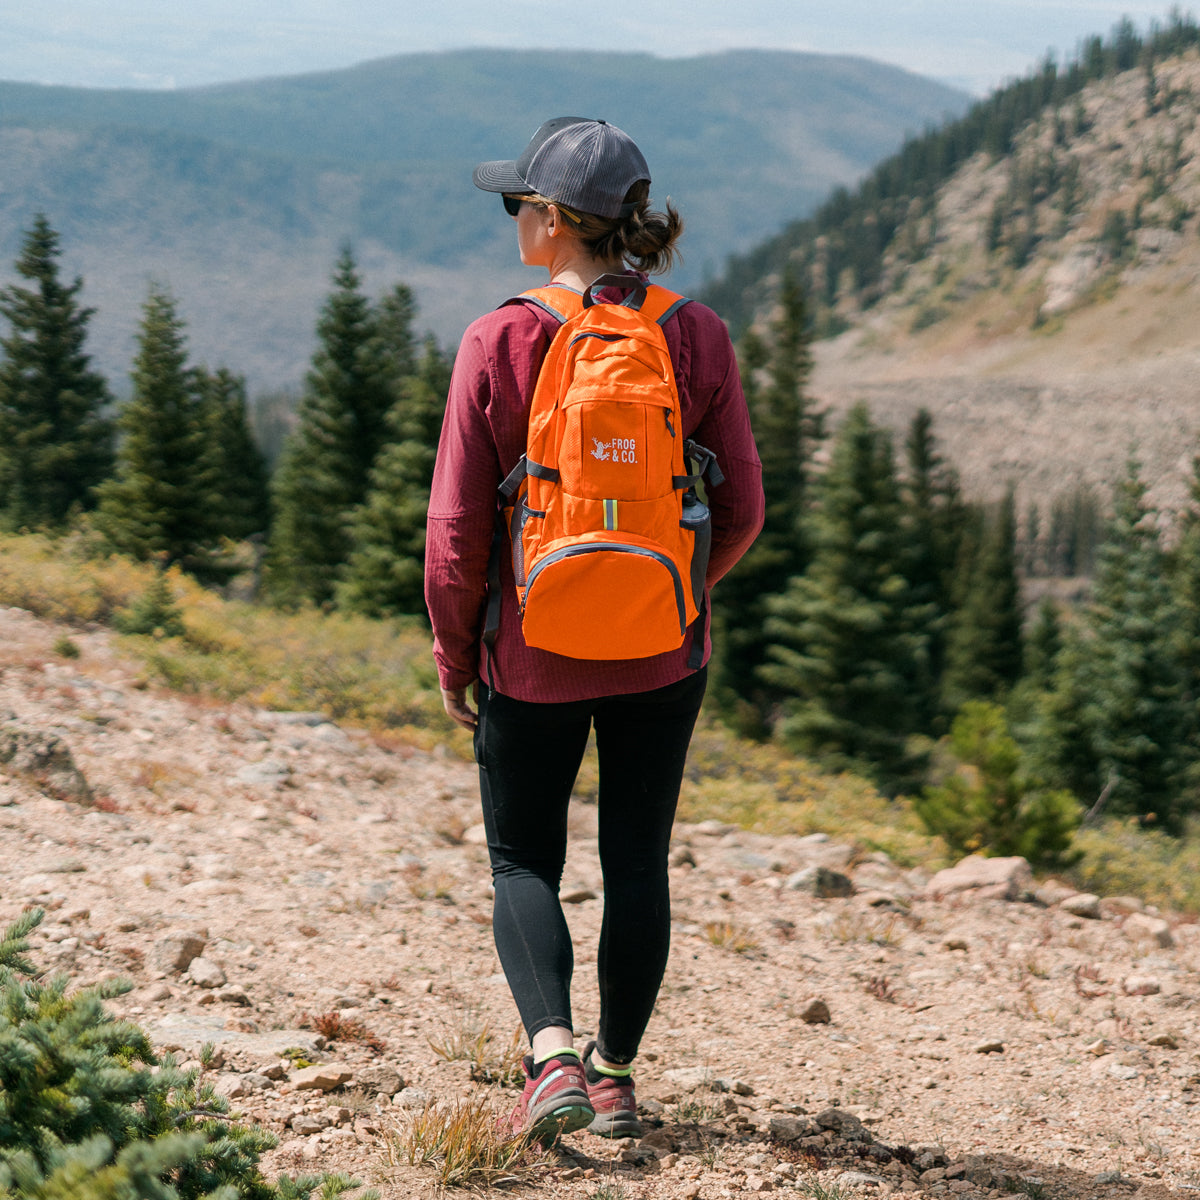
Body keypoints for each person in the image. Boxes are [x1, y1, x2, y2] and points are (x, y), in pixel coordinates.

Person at [424, 116, 764, 1144]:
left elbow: (456, 537)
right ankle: (614, 1076)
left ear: (553, 218)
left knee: (525, 861)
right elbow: (742, 509)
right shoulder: (694, 332)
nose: (513, 220)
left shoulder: (501, 338)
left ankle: (552, 1059)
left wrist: (456, 653)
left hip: (530, 654)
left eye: (517, 202)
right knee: (637, 862)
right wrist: (677, 599)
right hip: (663, 654)